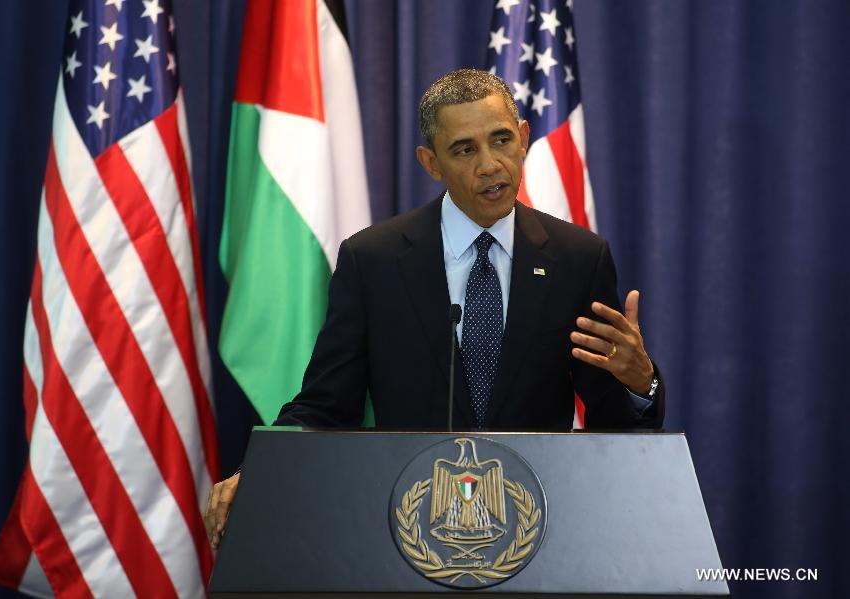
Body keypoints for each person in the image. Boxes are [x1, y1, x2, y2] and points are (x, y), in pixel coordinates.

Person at [205, 69, 663, 548]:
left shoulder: (577, 258)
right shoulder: (374, 261)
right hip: (412, 531)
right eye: (465, 149)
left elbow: (615, 423)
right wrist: (258, 471)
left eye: (501, 140)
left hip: (536, 533)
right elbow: (325, 406)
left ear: (524, 139)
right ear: (431, 162)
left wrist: (641, 381)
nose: (490, 165)